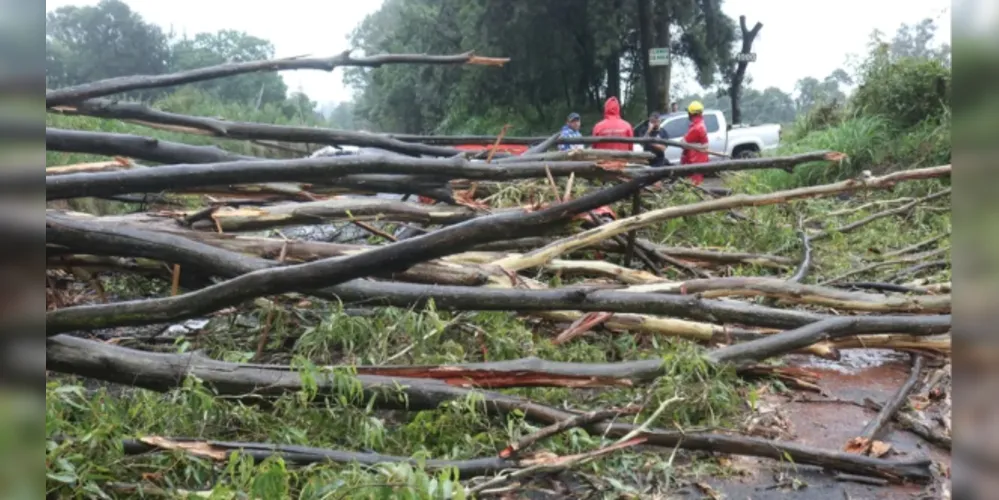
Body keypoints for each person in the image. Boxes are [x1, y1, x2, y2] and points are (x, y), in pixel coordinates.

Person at [680, 100, 710, 185]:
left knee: (694, 185)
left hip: (695, 160)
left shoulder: (696, 128)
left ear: (691, 113)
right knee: (696, 184)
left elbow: (683, 144)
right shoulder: (700, 124)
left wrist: (683, 140)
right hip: (698, 160)